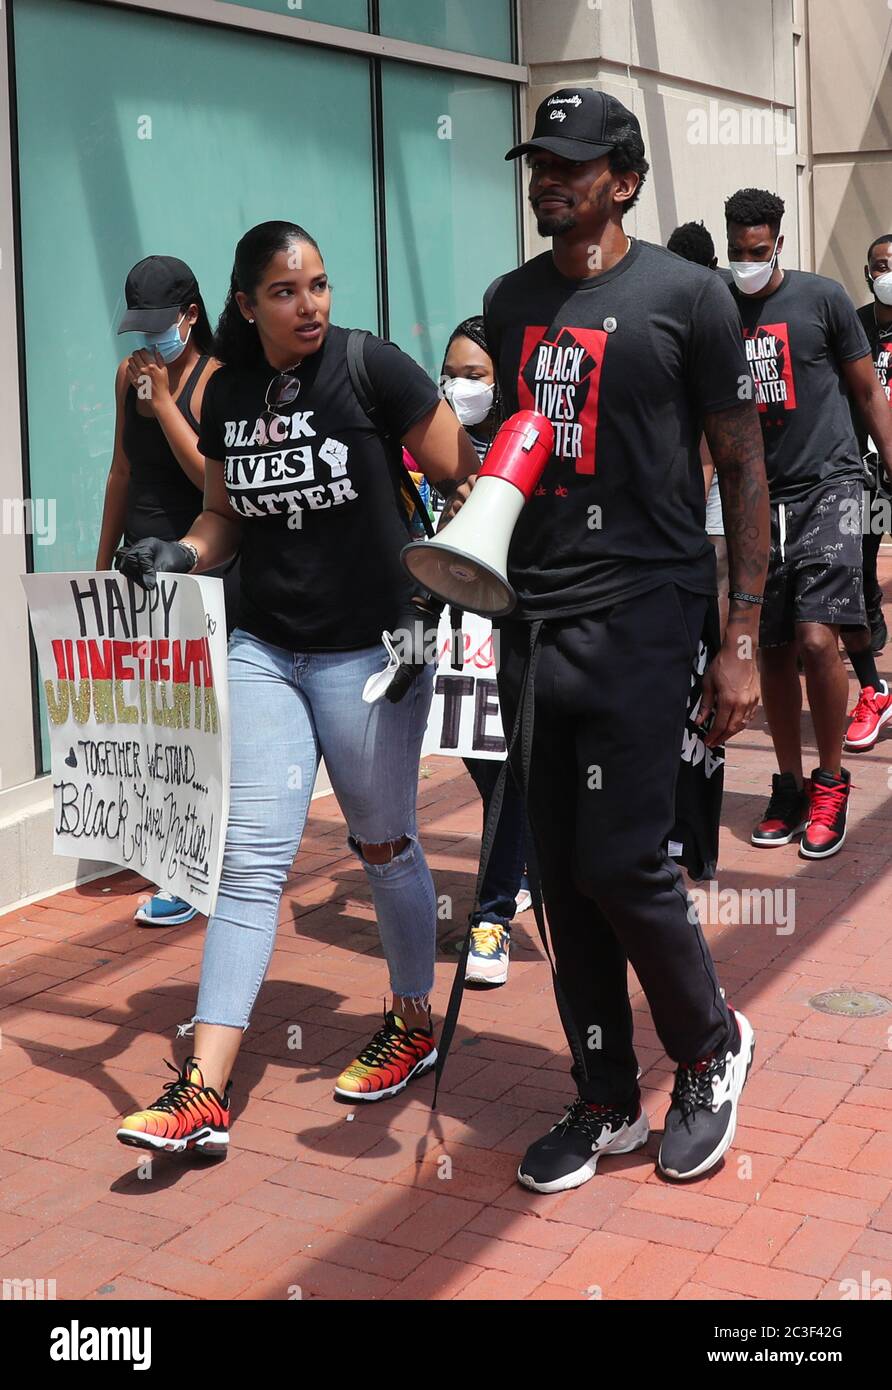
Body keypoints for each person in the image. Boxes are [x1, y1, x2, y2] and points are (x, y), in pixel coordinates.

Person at [113, 220, 479, 1156]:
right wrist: (179, 554)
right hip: (268, 648)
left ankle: (410, 1020)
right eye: (285, 291)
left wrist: (447, 589)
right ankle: (204, 1092)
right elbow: (224, 519)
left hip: (372, 652)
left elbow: (461, 474)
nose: (309, 303)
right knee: (249, 864)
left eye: (317, 284)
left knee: (384, 844)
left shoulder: (372, 368)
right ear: (246, 304)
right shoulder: (231, 392)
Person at [480, 87, 768, 1192]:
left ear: (625, 179)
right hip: (533, 622)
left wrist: (738, 635)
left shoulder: (689, 298)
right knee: (558, 873)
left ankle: (708, 1047)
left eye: (572, 161)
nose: (548, 176)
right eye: (538, 160)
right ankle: (604, 1092)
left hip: (646, 614)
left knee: (623, 861)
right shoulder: (510, 303)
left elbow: (742, 470)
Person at [724, 190, 892, 856]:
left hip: (832, 483)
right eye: (736, 252)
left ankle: (830, 781)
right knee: (770, 648)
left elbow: (868, 390)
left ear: (780, 245)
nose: (746, 264)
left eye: (758, 252)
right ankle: (789, 785)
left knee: (819, 638)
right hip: (759, 494)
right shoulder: (718, 308)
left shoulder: (821, 301)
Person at [97, 255, 238, 929]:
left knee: (196, 728)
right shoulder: (129, 376)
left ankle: (192, 869)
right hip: (137, 571)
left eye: (161, 326)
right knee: (151, 725)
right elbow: (122, 471)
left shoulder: (215, 380)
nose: (149, 342)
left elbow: (212, 484)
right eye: (140, 328)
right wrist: (100, 565)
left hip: (197, 568)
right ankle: (173, 853)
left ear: (189, 316)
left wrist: (165, 408)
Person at [440, 316, 530, 987]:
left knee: (506, 772)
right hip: (442, 622)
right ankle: (523, 863)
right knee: (482, 761)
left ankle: (492, 917)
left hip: (506, 620)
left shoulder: (514, 441)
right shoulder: (431, 438)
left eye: (473, 376)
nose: (457, 386)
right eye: (450, 372)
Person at [841, 233, 892, 751]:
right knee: (859, 557)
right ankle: (874, 678)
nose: (887, 273)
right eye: (880, 265)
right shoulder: (853, 325)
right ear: (867, 272)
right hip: (867, 471)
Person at [668, 222, 730, 633]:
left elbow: (715, 416)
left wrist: (703, 482)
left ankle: (719, 661)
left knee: (717, 567)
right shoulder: (661, 309)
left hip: (710, 471)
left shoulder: (719, 311)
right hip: (672, 470)